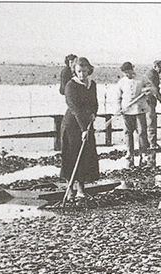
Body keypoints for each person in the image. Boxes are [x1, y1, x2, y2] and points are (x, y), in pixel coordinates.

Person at [60, 57, 99, 200]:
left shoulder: (92, 84)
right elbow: (75, 109)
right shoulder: (70, 86)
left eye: (84, 71)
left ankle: (81, 190)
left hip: (87, 123)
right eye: (79, 71)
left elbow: (94, 102)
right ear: (74, 71)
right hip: (72, 125)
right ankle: (69, 189)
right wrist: (83, 129)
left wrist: (94, 113)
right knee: (71, 156)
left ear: (89, 70)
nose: (82, 74)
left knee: (85, 155)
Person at [116, 62, 150, 168]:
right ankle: (129, 153)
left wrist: (146, 91)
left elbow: (151, 88)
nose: (127, 74)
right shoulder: (121, 82)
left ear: (132, 69)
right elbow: (118, 97)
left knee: (141, 132)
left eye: (128, 72)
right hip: (126, 110)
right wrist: (119, 108)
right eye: (125, 73)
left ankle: (143, 152)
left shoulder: (141, 79)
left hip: (139, 109)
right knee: (127, 132)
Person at [144, 60, 161, 148]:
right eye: (160, 69)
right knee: (151, 121)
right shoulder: (151, 74)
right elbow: (155, 92)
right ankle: (152, 144)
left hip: (149, 100)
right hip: (147, 101)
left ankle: (148, 143)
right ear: (155, 66)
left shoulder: (154, 74)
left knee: (149, 121)